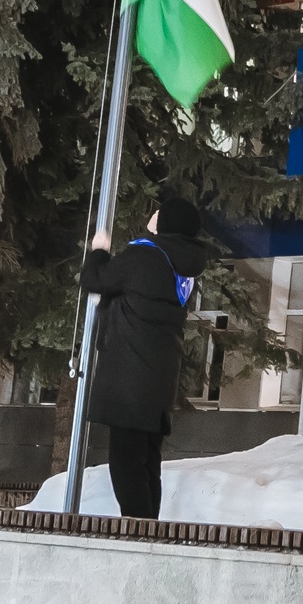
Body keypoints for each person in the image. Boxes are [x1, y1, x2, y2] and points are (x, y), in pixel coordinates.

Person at [79, 194, 214, 519]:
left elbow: (94, 279)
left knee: (126, 464)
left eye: (158, 213)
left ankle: (137, 532)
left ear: (165, 223)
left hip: (130, 377)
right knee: (147, 463)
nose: (152, 215)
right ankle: (150, 530)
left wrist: (99, 251)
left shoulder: (143, 255)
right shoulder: (182, 264)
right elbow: (140, 299)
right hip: (158, 380)